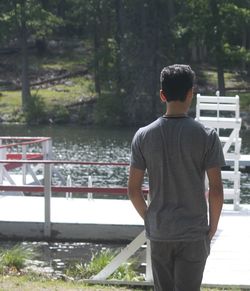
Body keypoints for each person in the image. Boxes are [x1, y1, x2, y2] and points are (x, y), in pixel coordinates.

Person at [128, 64, 225, 291]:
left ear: (162, 95)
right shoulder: (207, 136)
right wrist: (212, 228)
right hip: (194, 232)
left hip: (161, 232)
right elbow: (217, 190)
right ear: (191, 93)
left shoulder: (143, 136)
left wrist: (150, 217)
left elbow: (133, 190)